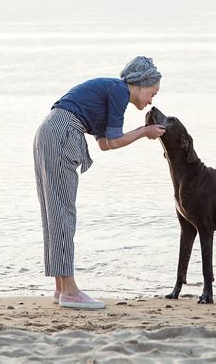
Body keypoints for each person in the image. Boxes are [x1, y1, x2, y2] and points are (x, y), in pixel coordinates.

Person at [33, 56, 166, 310]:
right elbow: (113, 142)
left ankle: (61, 288)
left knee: (54, 211)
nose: (151, 100)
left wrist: (140, 132)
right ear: (140, 85)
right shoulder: (118, 91)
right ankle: (70, 291)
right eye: (152, 93)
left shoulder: (111, 90)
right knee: (62, 212)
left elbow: (105, 144)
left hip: (50, 131)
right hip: (62, 132)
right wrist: (144, 132)